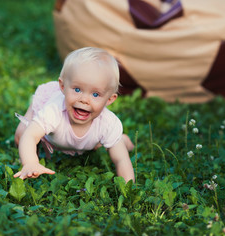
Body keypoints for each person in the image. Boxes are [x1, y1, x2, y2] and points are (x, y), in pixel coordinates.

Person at [14, 47, 135, 183]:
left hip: (88, 140)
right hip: (49, 130)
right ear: (63, 87)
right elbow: (30, 135)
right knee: (22, 134)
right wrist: (30, 162)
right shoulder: (53, 109)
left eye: (95, 94)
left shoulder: (107, 123)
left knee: (114, 146)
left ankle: (122, 140)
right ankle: (30, 163)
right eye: (77, 89)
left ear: (109, 99)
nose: (84, 99)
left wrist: (128, 189)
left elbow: (121, 160)